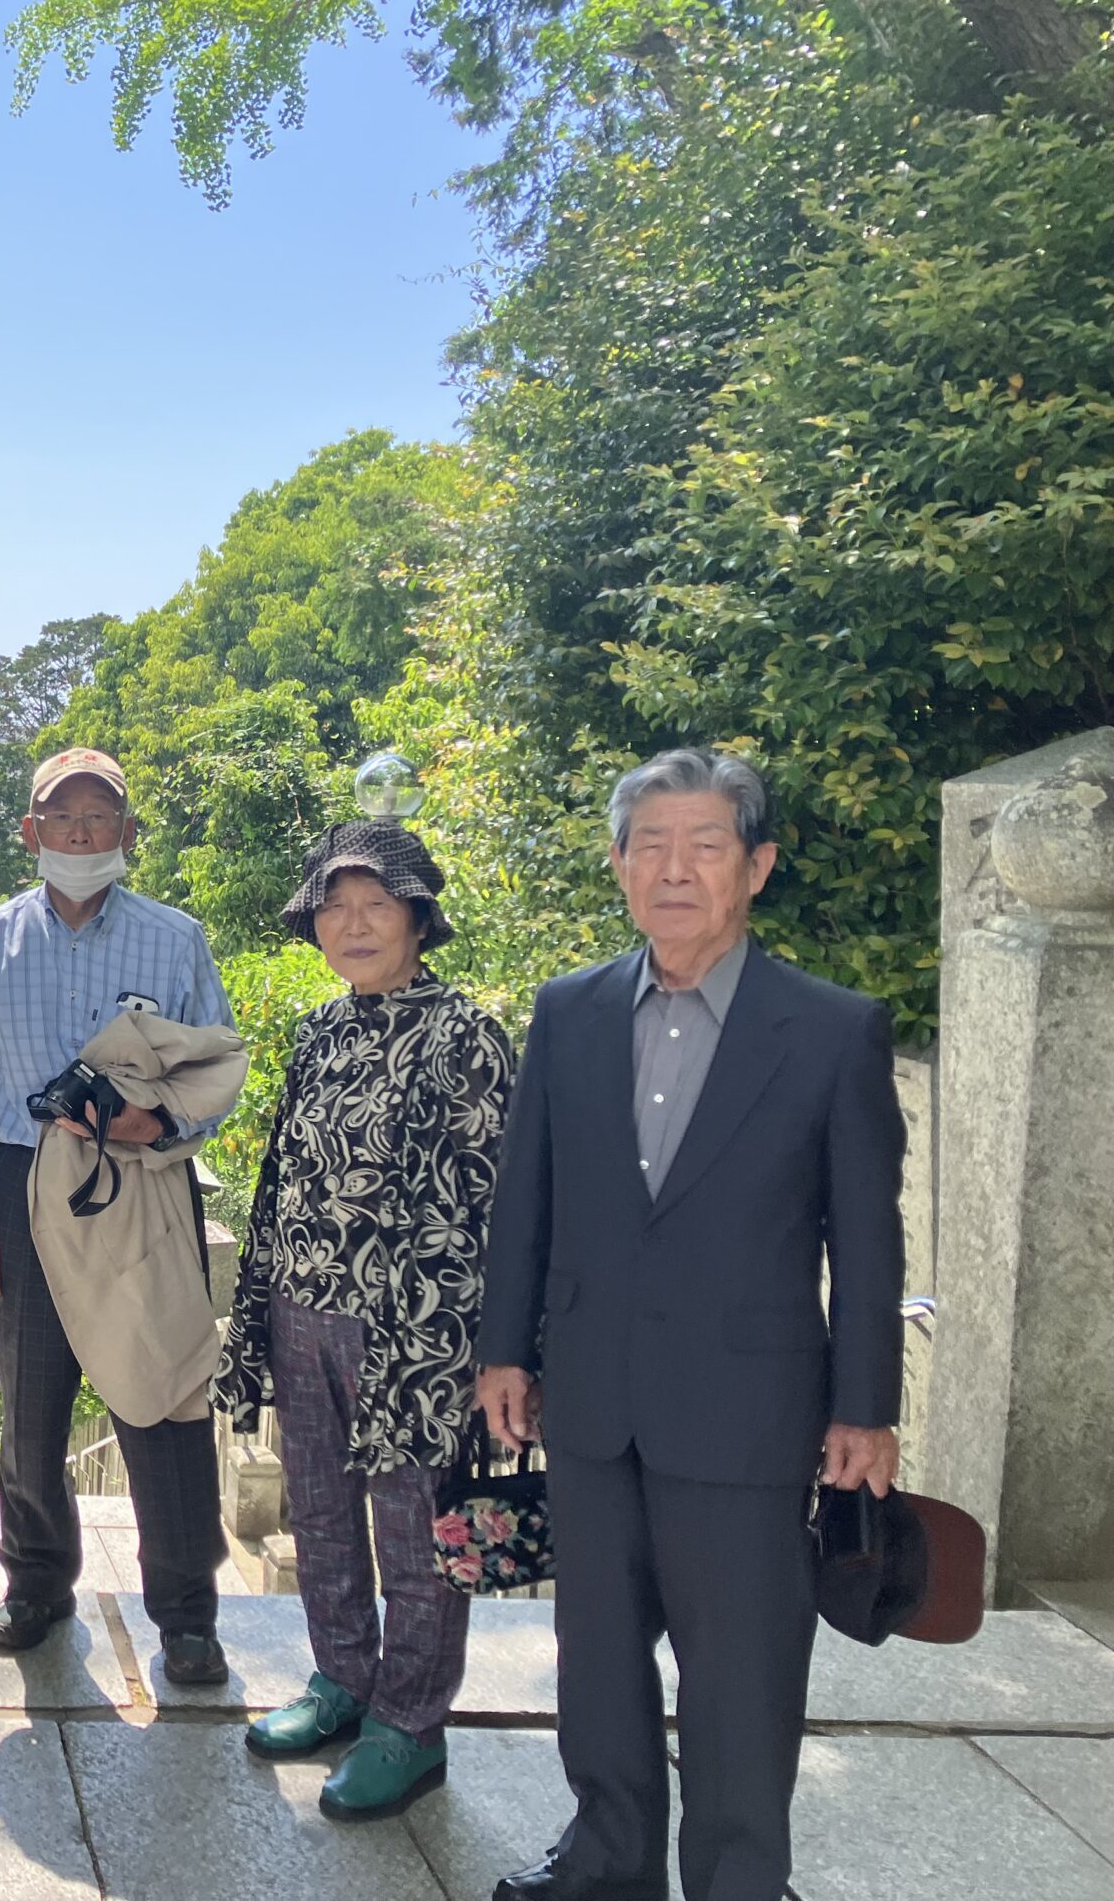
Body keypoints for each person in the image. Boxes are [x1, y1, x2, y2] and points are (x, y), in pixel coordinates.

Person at [475, 749, 906, 1901]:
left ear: (754, 867)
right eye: (649, 845)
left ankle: (737, 1879)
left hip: (749, 1411)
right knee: (597, 1662)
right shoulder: (567, 1012)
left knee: (742, 1678)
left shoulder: (829, 1031)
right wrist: (503, 1348)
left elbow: (866, 1237)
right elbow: (530, 1192)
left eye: (704, 845)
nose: (674, 869)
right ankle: (609, 1859)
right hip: (593, 1400)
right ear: (618, 865)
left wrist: (866, 1408)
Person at [217, 822, 515, 1819]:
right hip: (305, 1310)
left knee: (420, 1535)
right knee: (321, 1514)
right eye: (336, 906)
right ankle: (341, 1681)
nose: (353, 923)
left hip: (418, 1333)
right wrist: (257, 1309)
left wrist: (506, 1349)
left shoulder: (465, 1035)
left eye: (375, 905)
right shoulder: (318, 1032)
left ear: (417, 918)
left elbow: (500, 1201)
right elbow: (283, 1182)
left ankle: (409, 1726)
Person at [0, 747, 237, 1684]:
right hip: (28, 1180)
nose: (78, 833)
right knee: (31, 1397)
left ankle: (186, 1613)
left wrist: (166, 1118)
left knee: (165, 1394)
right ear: (31, 834)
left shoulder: (174, 937)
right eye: (60, 817)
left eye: (97, 817)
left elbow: (219, 1065)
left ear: (126, 835)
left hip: (142, 1177)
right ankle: (35, 1582)